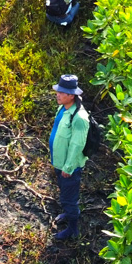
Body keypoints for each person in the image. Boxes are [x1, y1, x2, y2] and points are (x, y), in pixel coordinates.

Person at [49, 74, 89, 240]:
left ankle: (73, 229)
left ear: (71, 95)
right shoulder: (63, 107)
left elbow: (77, 145)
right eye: (58, 91)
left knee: (69, 198)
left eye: (62, 92)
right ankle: (68, 212)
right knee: (65, 192)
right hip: (59, 163)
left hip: (69, 167)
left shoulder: (79, 118)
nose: (58, 94)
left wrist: (68, 167)